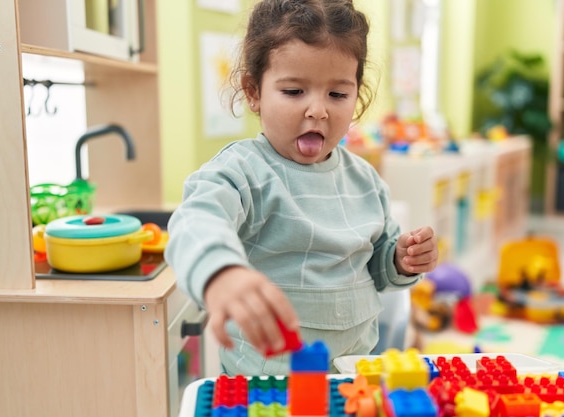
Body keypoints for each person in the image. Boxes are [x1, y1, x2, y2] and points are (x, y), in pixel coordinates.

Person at [165, 0, 438, 376]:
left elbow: (375, 265)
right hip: (268, 384)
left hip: (351, 375)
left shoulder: (365, 180)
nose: (318, 110)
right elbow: (194, 222)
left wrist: (400, 259)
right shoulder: (242, 171)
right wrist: (220, 273)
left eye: (337, 95)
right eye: (294, 91)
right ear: (253, 92)